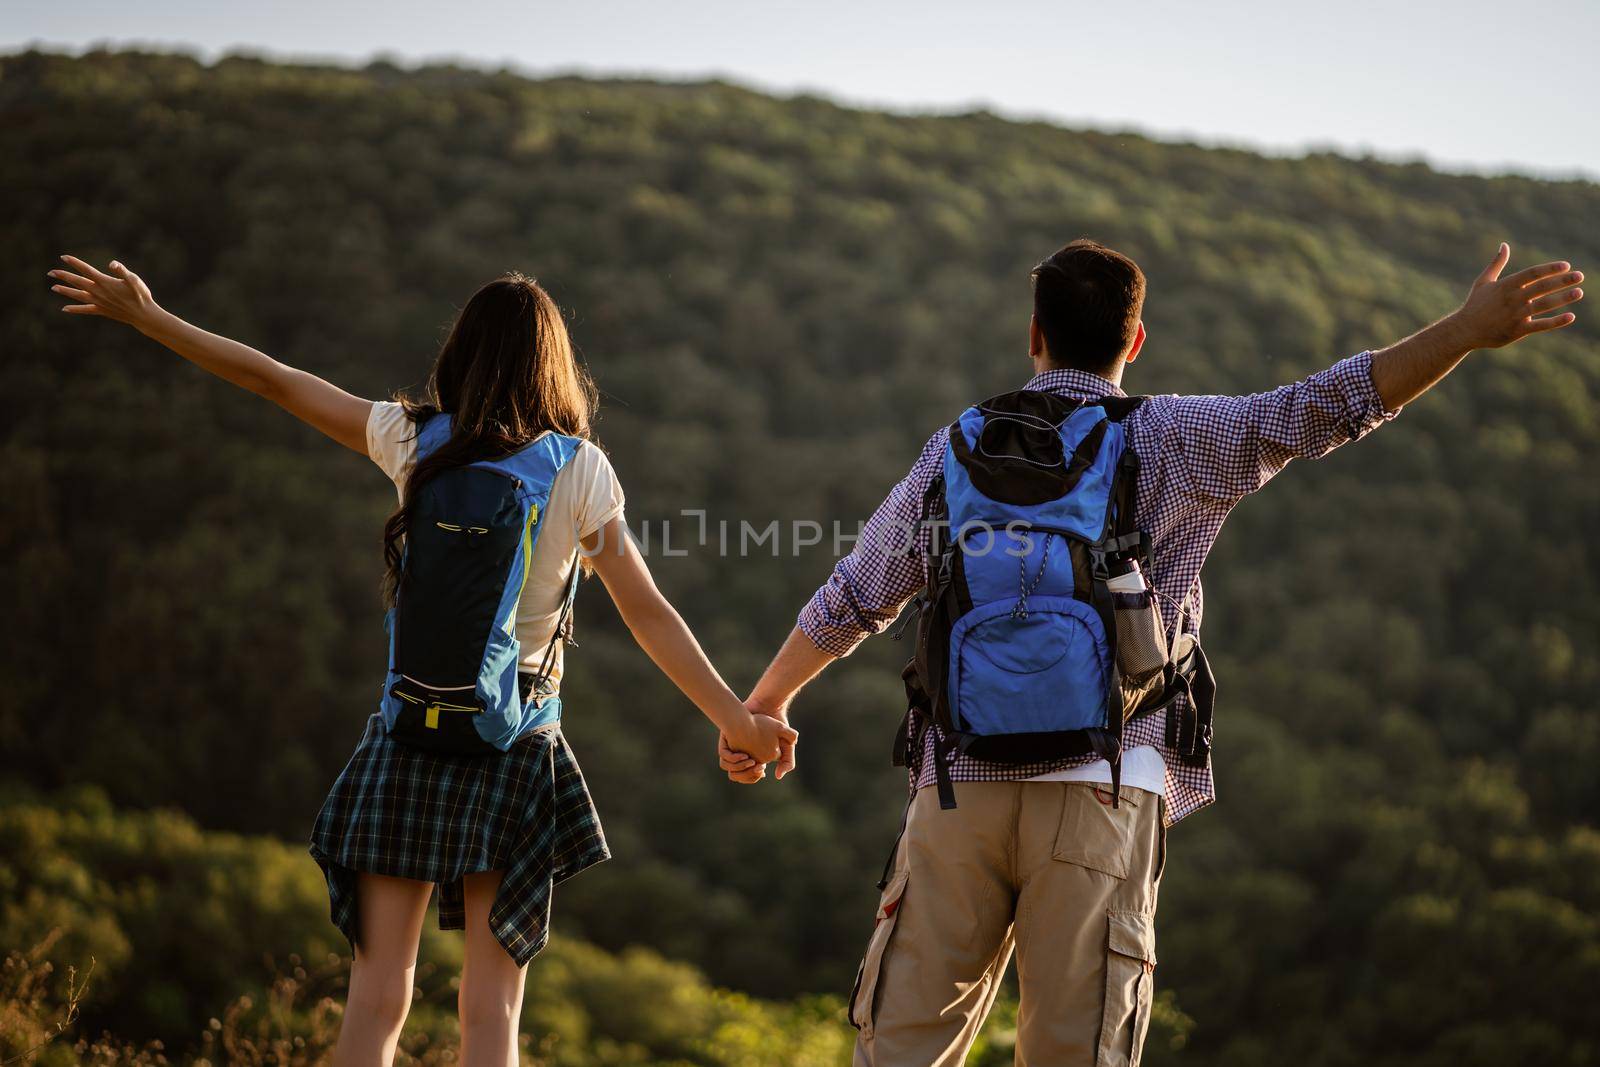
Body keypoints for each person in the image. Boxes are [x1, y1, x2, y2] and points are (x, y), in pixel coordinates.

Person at [719, 239, 1583, 1066]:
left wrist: (762, 707)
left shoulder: (956, 449)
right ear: (1135, 339)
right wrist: (1466, 331)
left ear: (1033, 336)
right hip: (1106, 784)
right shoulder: (1174, 436)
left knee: (902, 1048)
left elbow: (856, 596)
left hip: (957, 790)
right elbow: (1331, 403)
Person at [46, 257, 797, 1067]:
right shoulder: (580, 469)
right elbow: (649, 613)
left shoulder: (414, 440)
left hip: (408, 739)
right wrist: (739, 721)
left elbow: (275, 380)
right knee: (492, 1009)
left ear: (461, 354)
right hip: (517, 749)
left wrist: (152, 319)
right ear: (555, 366)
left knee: (375, 998)